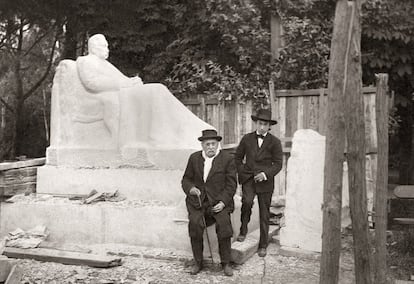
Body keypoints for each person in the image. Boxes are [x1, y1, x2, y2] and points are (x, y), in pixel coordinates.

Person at [76, 34, 212, 151]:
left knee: (157, 89)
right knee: (155, 91)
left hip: (124, 92)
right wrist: (124, 84)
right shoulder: (85, 61)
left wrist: (132, 81)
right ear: (93, 48)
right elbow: (92, 83)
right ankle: (158, 136)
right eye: (104, 46)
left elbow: (122, 79)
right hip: (114, 95)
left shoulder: (106, 64)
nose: (108, 49)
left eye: (107, 46)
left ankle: (181, 130)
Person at [182, 129, 237, 276]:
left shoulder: (227, 159)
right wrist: (191, 188)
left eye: (213, 144)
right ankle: (198, 262)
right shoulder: (194, 158)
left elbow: (231, 185)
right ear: (202, 146)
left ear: (218, 144)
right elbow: (186, 180)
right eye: (207, 144)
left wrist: (224, 202)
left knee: (224, 226)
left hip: (219, 202)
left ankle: (226, 262)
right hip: (198, 203)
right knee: (195, 225)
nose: (211, 147)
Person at [234, 109, 283, 257]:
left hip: (265, 183)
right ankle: (243, 230)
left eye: (265, 124)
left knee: (264, 213)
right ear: (256, 123)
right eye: (260, 123)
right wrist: (243, 172)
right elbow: (237, 158)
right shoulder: (247, 139)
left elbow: (278, 164)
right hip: (249, 179)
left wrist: (265, 174)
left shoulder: (275, 142)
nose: (262, 127)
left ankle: (263, 245)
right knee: (247, 203)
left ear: (269, 126)